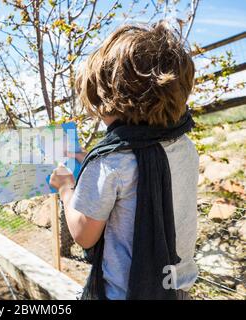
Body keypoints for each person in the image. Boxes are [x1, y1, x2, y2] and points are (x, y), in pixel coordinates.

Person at [49, 21, 199, 300]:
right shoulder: (184, 144)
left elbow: (84, 233)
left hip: (126, 292)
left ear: (110, 99)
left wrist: (65, 188)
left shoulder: (110, 162)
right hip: (176, 288)